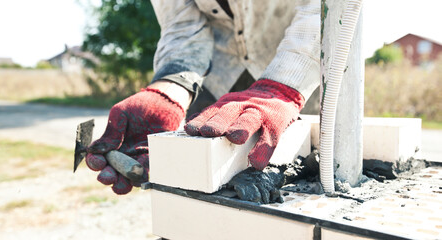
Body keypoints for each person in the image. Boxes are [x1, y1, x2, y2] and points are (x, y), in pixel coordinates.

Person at [85, 0, 320, 197]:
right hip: (216, 75)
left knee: (304, 168)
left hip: (302, 64)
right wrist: (171, 90)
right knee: (199, 188)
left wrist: (285, 84)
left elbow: (331, 8)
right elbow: (182, 25)